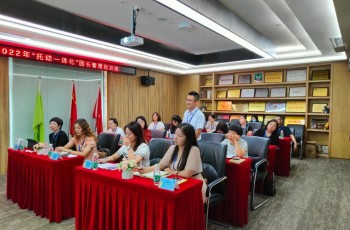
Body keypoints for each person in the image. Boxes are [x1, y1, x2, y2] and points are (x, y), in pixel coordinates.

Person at [137, 123, 206, 203]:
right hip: (177, 182)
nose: (175, 138)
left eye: (180, 136)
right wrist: (146, 169)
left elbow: (187, 174)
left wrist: (171, 171)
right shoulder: (173, 148)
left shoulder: (193, 150)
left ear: (188, 138)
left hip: (193, 186)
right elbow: (161, 165)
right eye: (175, 134)